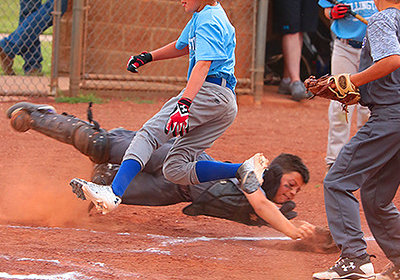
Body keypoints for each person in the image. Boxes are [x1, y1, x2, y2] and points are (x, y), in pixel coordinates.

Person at [70, 0, 268, 216]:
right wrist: (148, 56)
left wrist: (184, 104)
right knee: (175, 168)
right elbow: (180, 46)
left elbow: (203, 65)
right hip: (223, 101)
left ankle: (114, 193)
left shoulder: (210, 20)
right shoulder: (205, 15)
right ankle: (241, 169)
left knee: (149, 135)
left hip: (208, 92)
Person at [6, 101, 315, 240]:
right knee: (97, 143)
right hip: (172, 158)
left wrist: (315, 235)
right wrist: (292, 232)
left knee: (99, 192)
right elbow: (262, 205)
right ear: (274, 173)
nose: (291, 192)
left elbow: (279, 217)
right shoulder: (253, 178)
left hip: (171, 191)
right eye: (291, 183)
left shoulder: (273, 211)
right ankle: (39, 116)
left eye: (297, 190)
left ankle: (30, 203)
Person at [313, 0, 400, 280]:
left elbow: (392, 61)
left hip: (390, 117)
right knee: (375, 195)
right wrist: (356, 92)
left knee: (337, 180)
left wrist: (350, 80)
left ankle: (354, 259)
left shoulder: (382, 19)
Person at [319, 0, 379, 170]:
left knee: (368, 105)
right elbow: (326, 9)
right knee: (340, 101)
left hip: (373, 49)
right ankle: (335, 159)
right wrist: (333, 12)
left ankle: (365, 158)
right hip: (344, 47)